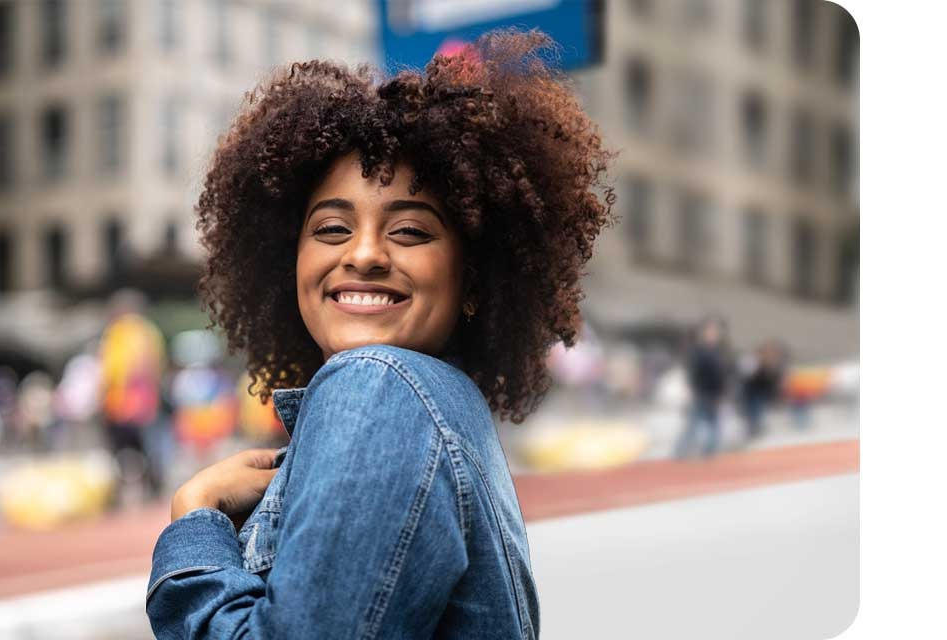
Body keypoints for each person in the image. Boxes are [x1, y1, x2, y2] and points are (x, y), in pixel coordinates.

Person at [145, 29, 613, 639]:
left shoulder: (379, 386)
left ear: (473, 278)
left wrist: (195, 526)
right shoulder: (441, 411)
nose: (363, 254)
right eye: (332, 229)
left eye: (411, 232)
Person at [99, 289, 168, 506]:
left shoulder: (117, 332)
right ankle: (151, 488)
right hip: (142, 402)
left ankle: (126, 490)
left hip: (123, 402)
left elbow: (109, 371)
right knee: (146, 449)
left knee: (121, 450)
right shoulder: (149, 331)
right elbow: (155, 368)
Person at [673, 316, 734, 459]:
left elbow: (725, 373)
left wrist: (725, 390)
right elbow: (692, 372)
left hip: (715, 394)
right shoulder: (699, 351)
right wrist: (691, 389)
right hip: (701, 393)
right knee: (693, 425)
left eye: (716, 331)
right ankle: (680, 453)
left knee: (714, 426)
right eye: (711, 331)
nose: (714, 334)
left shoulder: (720, 352)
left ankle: (709, 454)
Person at [739, 339, 788, 441]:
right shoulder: (756, 361)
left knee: (758, 414)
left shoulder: (775, 365)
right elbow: (748, 378)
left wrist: (776, 398)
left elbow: (775, 383)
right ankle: (752, 431)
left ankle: (755, 431)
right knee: (753, 414)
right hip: (751, 394)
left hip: (762, 394)